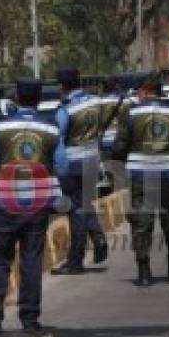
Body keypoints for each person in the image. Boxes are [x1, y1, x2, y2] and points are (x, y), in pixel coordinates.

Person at [0, 79, 60, 335]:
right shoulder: (51, 129)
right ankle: (30, 319)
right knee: (31, 259)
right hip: (38, 203)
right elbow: (61, 165)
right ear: (39, 99)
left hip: (6, 202)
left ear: (17, 98)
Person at [112, 75, 169, 288]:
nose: (137, 96)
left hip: (139, 173)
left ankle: (144, 271)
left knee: (141, 223)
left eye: (139, 91)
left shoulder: (130, 113)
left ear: (147, 91)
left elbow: (120, 146)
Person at [52, 68, 108, 275]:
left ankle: (75, 261)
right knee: (83, 204)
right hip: (93, 158)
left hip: (72, 163)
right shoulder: (95, 101)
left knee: (75, 210)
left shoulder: (65, 109)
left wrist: (57, 167)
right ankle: (98, 236)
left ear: (62, 86)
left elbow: (58, 139)